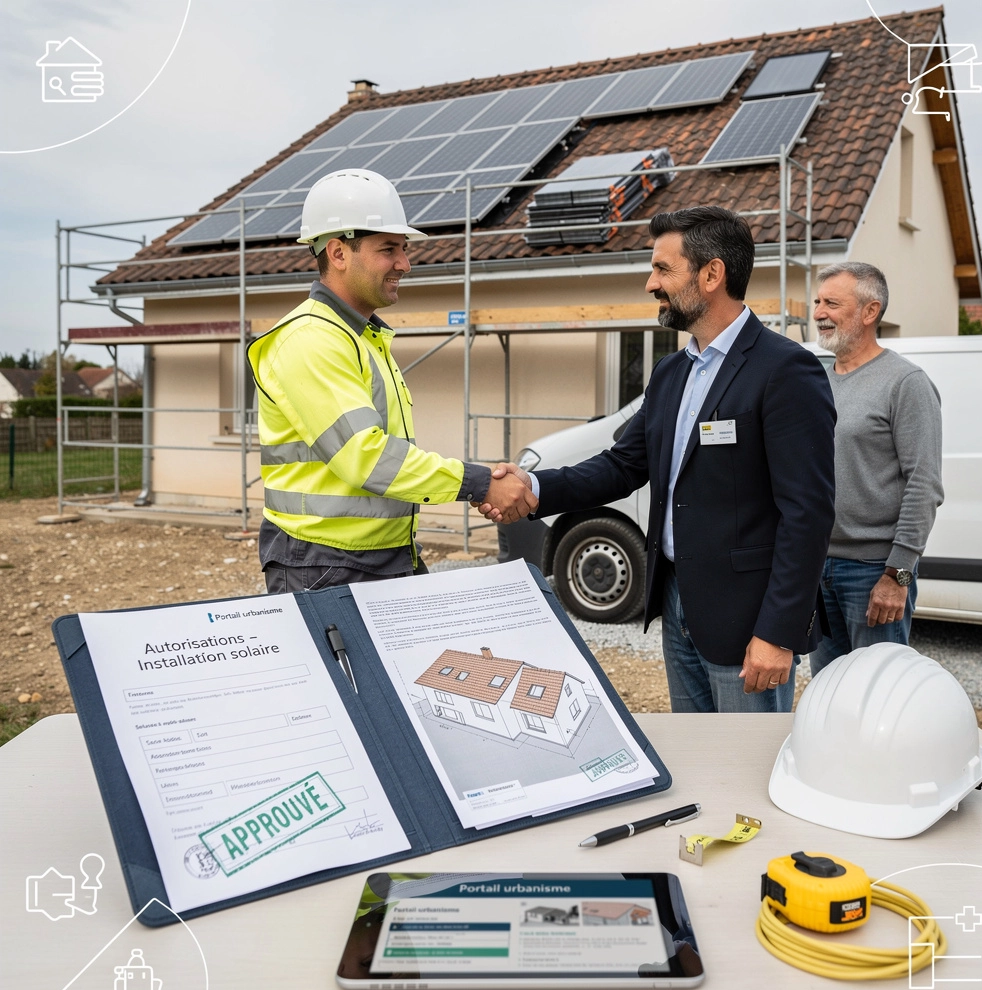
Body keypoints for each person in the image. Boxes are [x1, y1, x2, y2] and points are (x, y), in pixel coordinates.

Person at [481, 206, 836, 712]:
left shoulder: (785, 370)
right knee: (696, 756)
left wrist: (778, 633)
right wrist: (533, 488)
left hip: (747, 619)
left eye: (663, 269)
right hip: (675, 600)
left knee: (744, 768)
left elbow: (809, 514)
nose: (651, 284)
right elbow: (622, 465)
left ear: (712, 274)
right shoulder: (672, 373)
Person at [248, 169, 535, 594]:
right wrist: (480, 482)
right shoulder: (310, 338)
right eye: (389, 249)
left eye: (403, 249)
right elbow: (368, 458)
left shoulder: (360, 337)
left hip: (377, 557)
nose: (405, 263)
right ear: (339, 253)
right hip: (324, 564)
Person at [809, 262, 943, 674]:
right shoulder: (815, 380)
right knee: (827, 693)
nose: (818, 313)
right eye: (817, 302)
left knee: (875, 693)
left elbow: (924, 485)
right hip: (815, 566)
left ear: (870, 311)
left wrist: (897, 575)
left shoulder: (905, 382)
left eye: (832, 303)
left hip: (872, 573)